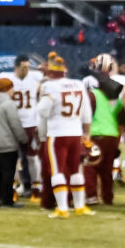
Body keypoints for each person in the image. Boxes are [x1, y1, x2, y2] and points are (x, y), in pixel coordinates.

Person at [37, 56, 94, 219]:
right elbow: (86, 112)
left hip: (57, 133)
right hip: (76, 132)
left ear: (50, 72)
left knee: (57, 170)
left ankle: (62, 208)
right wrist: (87, 132)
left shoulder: (49, 86)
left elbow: (43, 112)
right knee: (76, 169)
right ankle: (79, 206)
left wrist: (43, 99)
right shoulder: (78, 84)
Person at [0, 54, 43, 201]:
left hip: (31, 124)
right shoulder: (5, 77)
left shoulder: (36, 77)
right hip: (13, 124)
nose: (27, 70)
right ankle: (14, 187)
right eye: (24, 68)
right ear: (16, 67)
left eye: (28, 67)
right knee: (12, 158)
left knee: (32, 158)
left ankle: (36, 188)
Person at [83, 55, 124, 206]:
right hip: (112, 136)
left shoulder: (92, 95)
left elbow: (87, 116)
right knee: (106, 169)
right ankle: (108, 198)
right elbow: (121, 122)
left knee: (90, 166)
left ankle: (92, 196)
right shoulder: (117, 101)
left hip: (96, 134)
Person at [0, 77, 26, 208]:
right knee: (8, 173)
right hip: (8, 143)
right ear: (8, 88)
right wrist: (23, 138)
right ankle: (6, 200)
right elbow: (15, 124)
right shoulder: (9, 104)